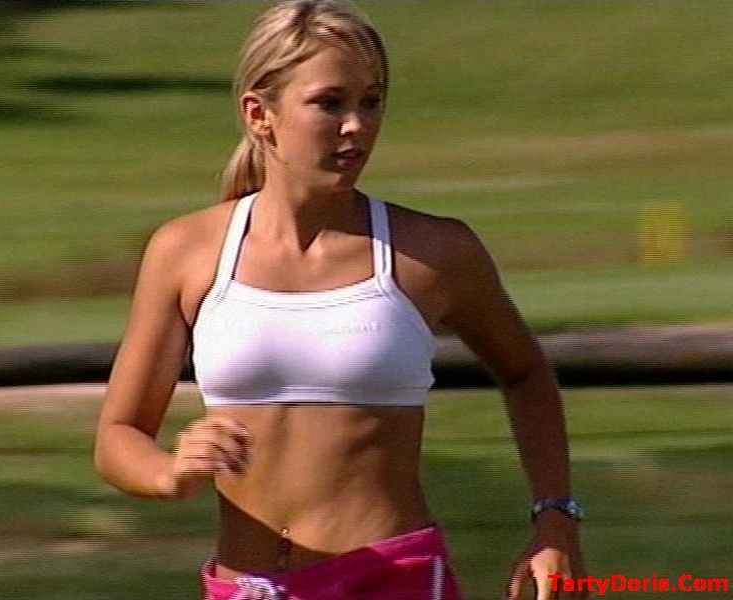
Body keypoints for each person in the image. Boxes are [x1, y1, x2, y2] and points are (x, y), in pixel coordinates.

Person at [94, 1, 586, 598]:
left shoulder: (432, 253)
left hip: (392, 580)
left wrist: (555, 517)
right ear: (259, 114)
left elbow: (525, 372)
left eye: (371, 102)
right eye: (330, 103)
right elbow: (119, 435)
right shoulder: (185, 251)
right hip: (241, 586)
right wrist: (168, 472)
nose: (357, 125)